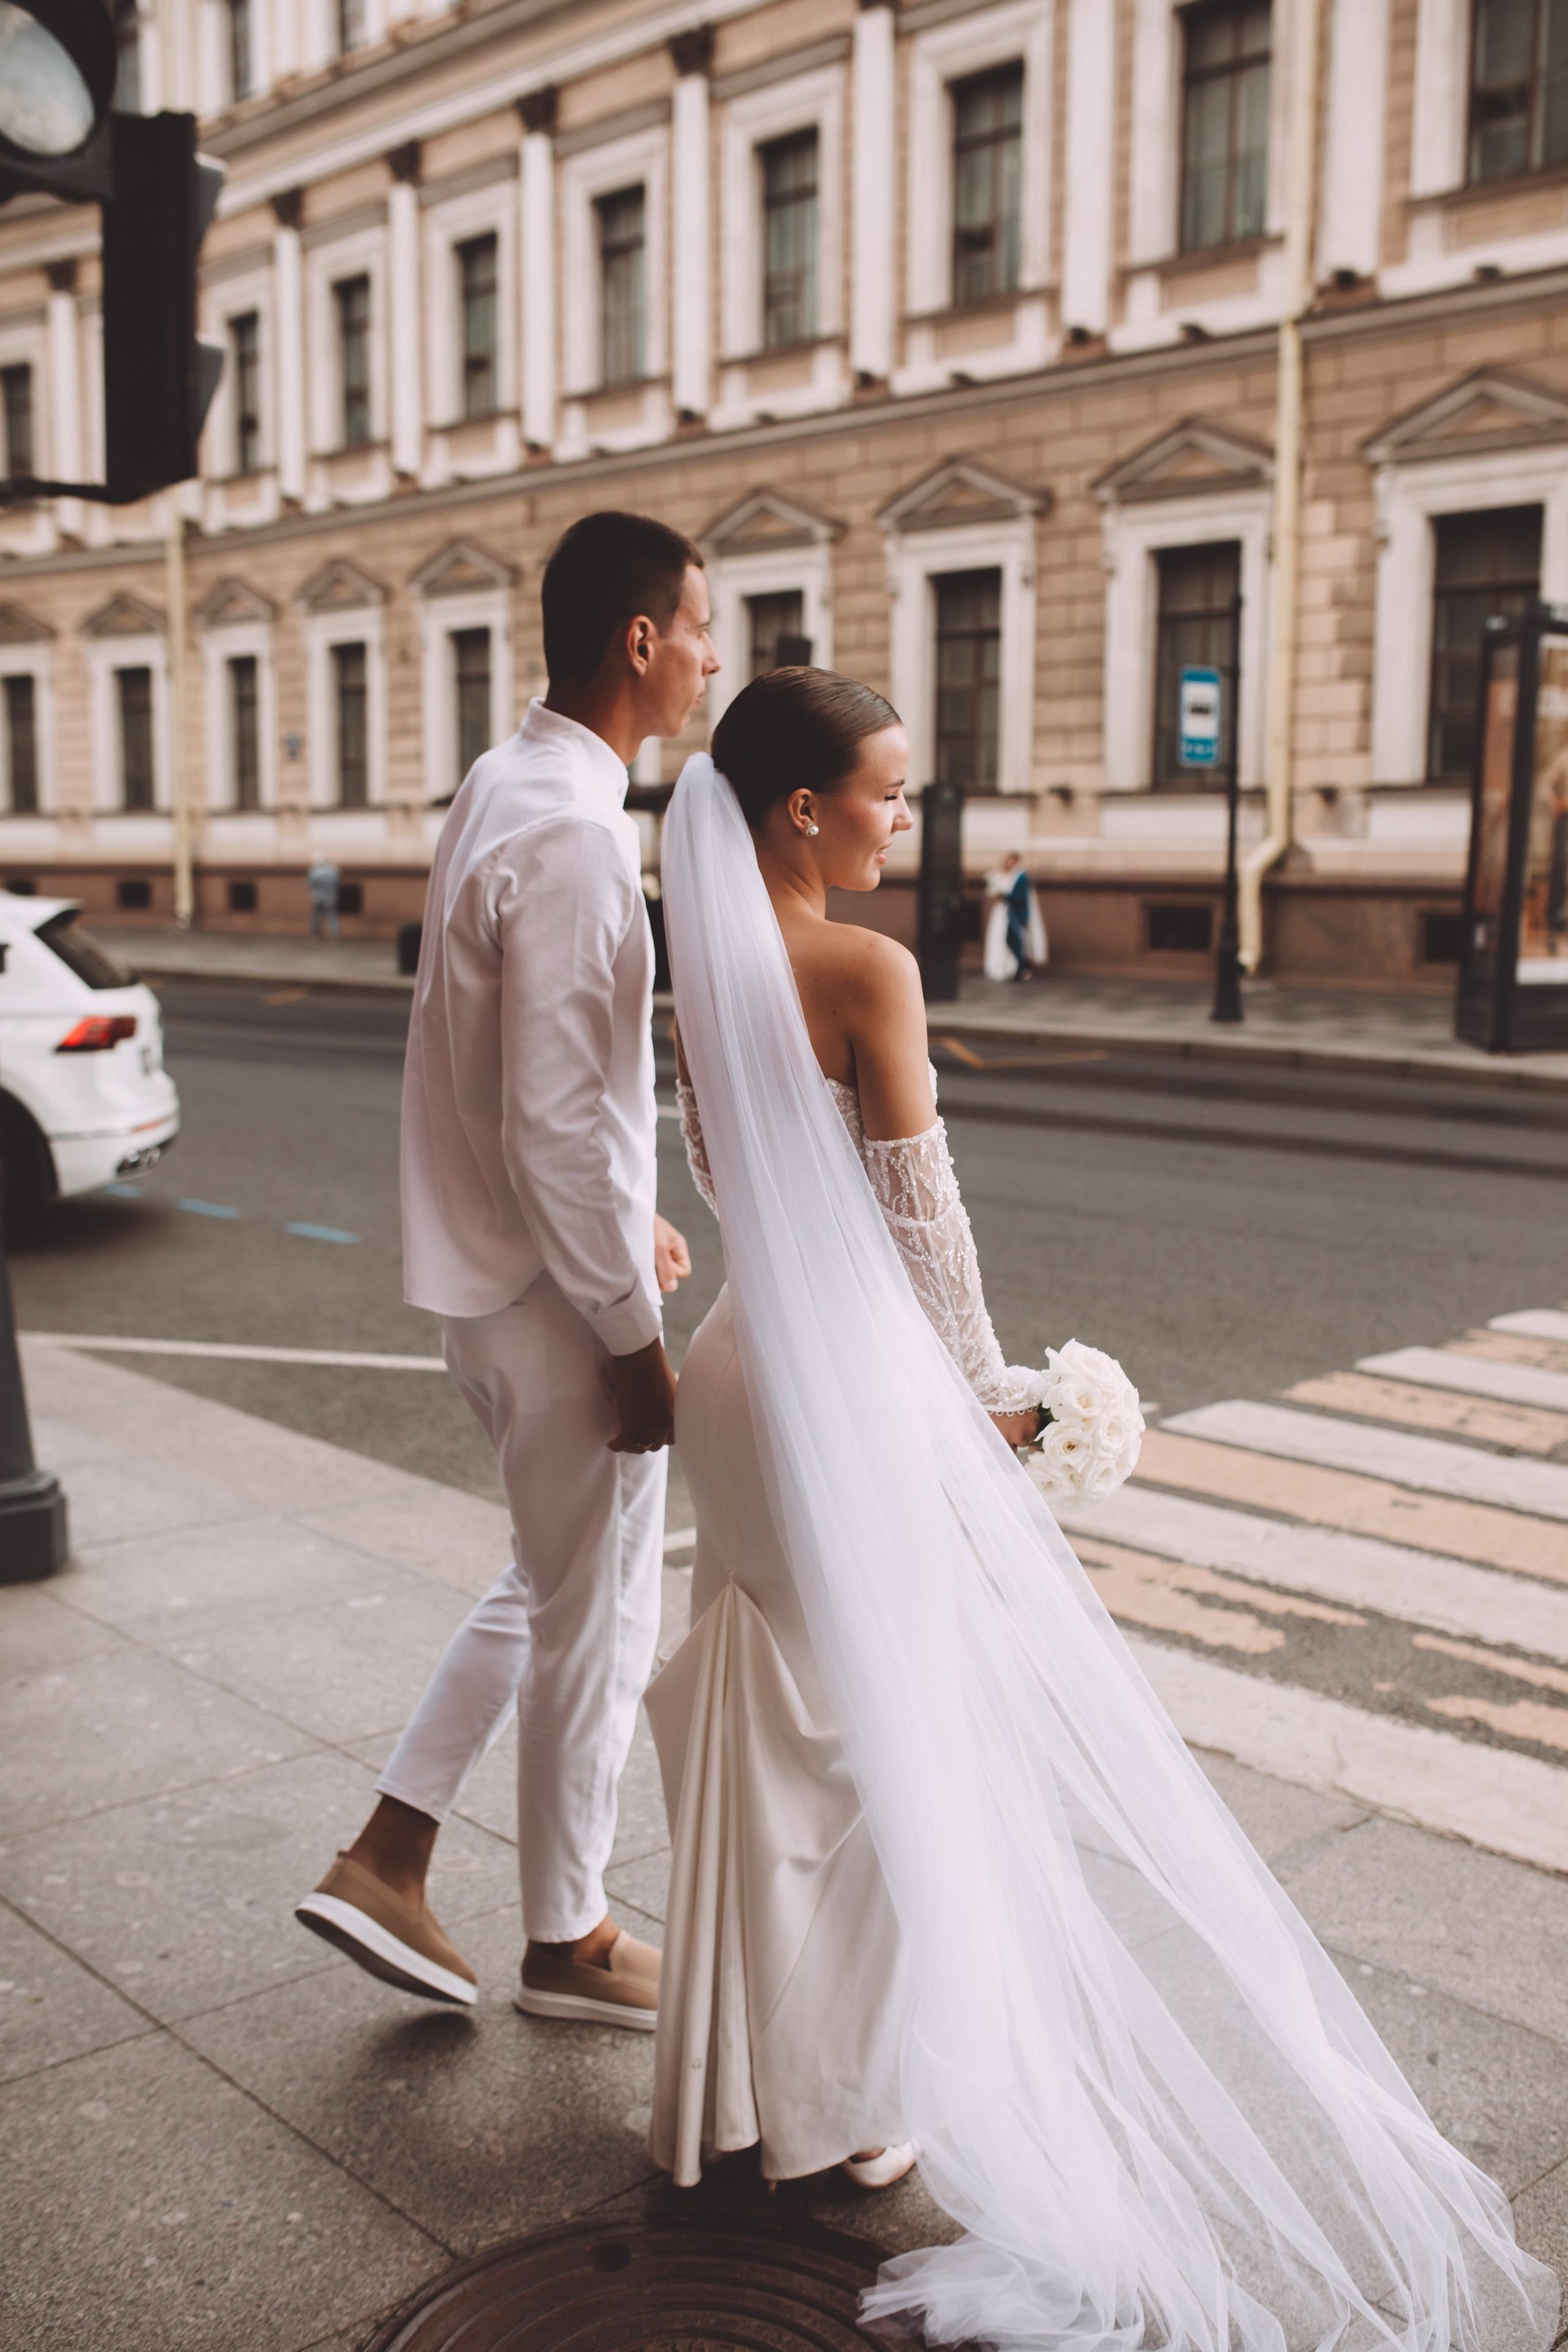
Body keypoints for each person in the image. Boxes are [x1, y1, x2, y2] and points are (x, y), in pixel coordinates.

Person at [649, 668, 1557, 2351]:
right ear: (801, 811)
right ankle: (842, 2101)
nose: (901, 822)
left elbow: (740, 1175)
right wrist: (1001, 1396)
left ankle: (745, 2083)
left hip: (737, 1374)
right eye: (889, 795)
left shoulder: (696, 953)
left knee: (776, 1723)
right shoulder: (865, 968)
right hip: (854, 1387)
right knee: (883, 1745)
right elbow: (925, 1225)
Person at [295, 511, 718, 2031]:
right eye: (701, 625)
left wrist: (622, 1219)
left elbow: (505, 1080)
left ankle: (390, 1853)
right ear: (640, 640)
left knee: (551, 1582)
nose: (712, 656)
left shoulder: (502, 783)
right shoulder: (581, 838)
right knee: (593, 1619)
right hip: (554, 1310)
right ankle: (571, 1938)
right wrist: (627, 1326)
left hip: (503, 1274)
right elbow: (552, 1106)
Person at [982, 847, 1045, 981]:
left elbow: (1020, 897)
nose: (1009, 863)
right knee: (1007, 939)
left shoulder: (1022, 877)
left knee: (1016, 940)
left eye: (1012, 860)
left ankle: (1020, 968)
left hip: (1016, 914)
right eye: (1008, 860)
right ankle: (1013, 967)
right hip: (1005, 913)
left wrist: (1004, 896)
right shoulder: (1007, 875)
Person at [307, 853, 341, 941]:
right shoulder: (333, 871)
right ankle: (334, 934)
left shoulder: (315, 871)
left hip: (318, 897)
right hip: (331, 897)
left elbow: (310, 884)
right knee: (332, 916)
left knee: (317, 916)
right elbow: (337, 883)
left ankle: (316, 934)